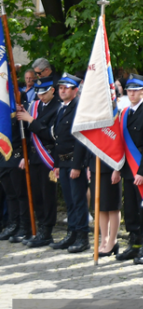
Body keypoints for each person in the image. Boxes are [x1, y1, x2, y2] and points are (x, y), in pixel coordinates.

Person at [24, 73, 89, 252]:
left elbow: (80, 140)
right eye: (60, 88)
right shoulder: (62, 108)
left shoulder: (78, 108)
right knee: (69, 201)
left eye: (66, 88)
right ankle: (72, 233)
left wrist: (77, 165)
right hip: (63, 161)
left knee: (78, 200)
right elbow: (58, 139)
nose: (62, 91)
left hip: (74, 162)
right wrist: (58, 165)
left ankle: (82, 237)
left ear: (75, 90)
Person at [113, 74, 143, 264]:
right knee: (130, 208)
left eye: (135, 90)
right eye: (129, 90)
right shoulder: (124, 114)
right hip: (127, 168)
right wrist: (118, 168)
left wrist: (141, 171)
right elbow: (119, 144)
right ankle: (134, 243)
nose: (131, 94)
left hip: (141, 167)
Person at [21, 76, 59, 248]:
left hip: (48, 158)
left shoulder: (57, 107)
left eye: (44, 93)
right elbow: (29, 137)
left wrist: (31, 121)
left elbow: (49, 134)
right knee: (36, 195)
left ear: (52, 90)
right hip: (35, 157)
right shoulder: (34, 106)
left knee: (47, 195)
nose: (41, 97)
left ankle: (47, 231)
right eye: (38, 93)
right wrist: (26, 155)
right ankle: (41, 226)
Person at [0, 92, 31, 244]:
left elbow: (29, 136)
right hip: (4, 157)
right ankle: (13, 224)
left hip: (18, 156)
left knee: (21, 194)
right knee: (10, 194)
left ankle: (25, 227)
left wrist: (27, 156)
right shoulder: (2, 112)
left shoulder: (20, 113)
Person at [90, 151, 122, 256]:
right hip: (95, 165)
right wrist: (88, 166)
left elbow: (118, 146)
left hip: (111, 167)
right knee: (100, 207)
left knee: (112, 206)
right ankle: (104, 240)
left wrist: (117, 169)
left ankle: (113, 241)